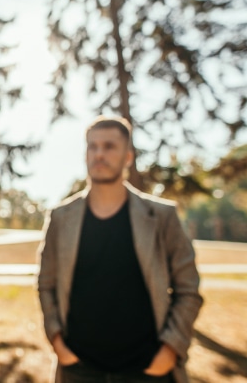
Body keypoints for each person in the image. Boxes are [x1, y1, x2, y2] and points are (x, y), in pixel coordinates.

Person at [37, 115, 203, 383]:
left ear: (128, 157)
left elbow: (188, 290)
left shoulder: (162, 216)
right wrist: (57, 341)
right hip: (78, 370)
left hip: (148, 370)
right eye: (93, 146)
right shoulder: (60, 217)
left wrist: (171, 349)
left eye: (109, 146)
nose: (99, 154)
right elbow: (46, 284)